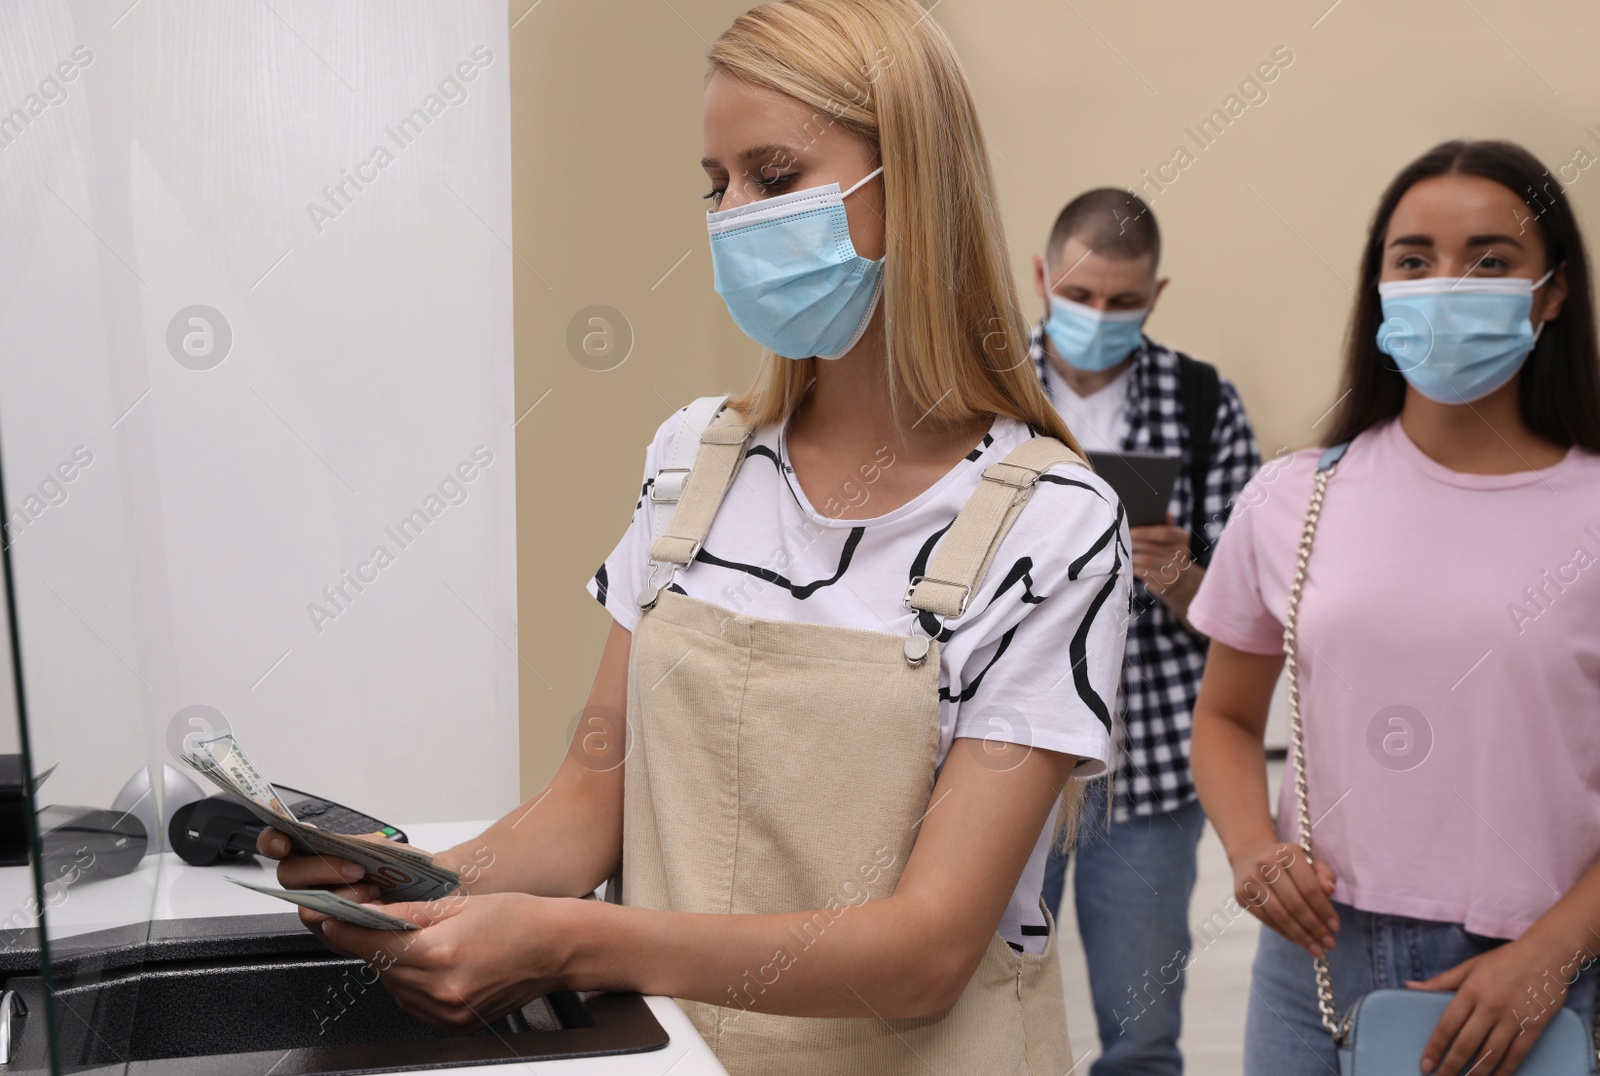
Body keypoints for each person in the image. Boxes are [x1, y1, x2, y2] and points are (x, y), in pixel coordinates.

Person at [257, 2, 1132, 1073]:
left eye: (773, 175)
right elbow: (590, 801)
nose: (734, 216)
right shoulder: (690, 462)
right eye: (716, 185)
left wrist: (576, 940)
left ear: (914, 185)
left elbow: (926, 952)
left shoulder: (1052, 524)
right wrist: (419, 881)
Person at [1188, 139, 1600, 1075]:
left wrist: (1552, 954)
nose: (1446, 284)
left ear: (1553, 291)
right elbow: (1224, 714)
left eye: (1491, 260)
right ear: (1378, 286)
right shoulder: (1293, 496)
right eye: (1414, 260)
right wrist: (1254, 851)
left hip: (1539, 975)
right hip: (1314, 968)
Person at [1033, 189, 1260, 1073]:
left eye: (1123, 302)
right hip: (1001, 749)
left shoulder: (1204, 404)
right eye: (1082, 296)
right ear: (1041, 278)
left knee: (1142, 1033)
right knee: (973, 1005)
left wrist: (1180, 577)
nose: (1099, 317)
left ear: (1156, 295)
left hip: (1155, 764)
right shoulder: (978, 393)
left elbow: (1251, 622)